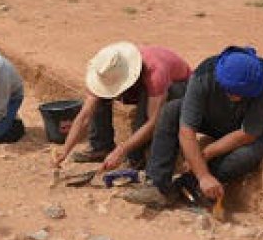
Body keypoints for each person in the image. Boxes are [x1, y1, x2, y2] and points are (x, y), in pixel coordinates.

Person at [124, 45, 263, 208]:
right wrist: (203, 174)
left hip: (246, 126)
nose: (236, 96)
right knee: (170, 111)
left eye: (241, 94)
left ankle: (187, 185)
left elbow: (247, 134)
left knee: (247, 155)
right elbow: (187, 131)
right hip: (214, 118)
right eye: (231, 92)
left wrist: (204, 157)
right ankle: (157, 185)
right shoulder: (204, 74)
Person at [50, 42, 191, 171]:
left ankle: (139, 159)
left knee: (143, 119)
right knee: (100, 98)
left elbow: (153, 122)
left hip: (179, 87)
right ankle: (101, 147)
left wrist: (121, 151)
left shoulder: (155, 72)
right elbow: (84, 116)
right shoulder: (105, 72)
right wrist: (65, 150)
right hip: (141, 87)